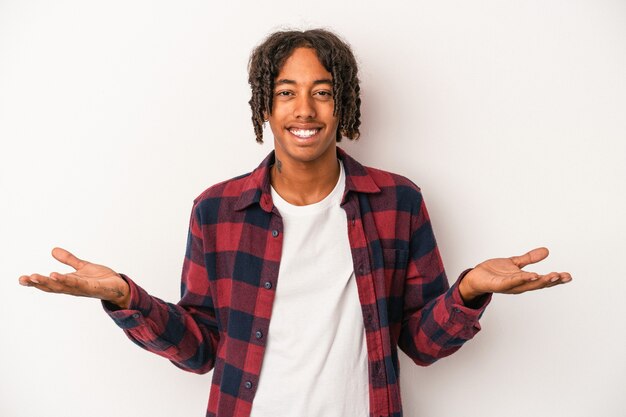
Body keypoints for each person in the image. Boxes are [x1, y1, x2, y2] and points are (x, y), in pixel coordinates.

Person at [18, 29, 572, 417]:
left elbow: (421, 344)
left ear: (345, 105)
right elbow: (201, 350)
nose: (304, 109)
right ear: (266, 106)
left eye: (322, 92)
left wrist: (471, 290)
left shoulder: (397, 202)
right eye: (286, 92)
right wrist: (123, 296)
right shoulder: (217, 210)